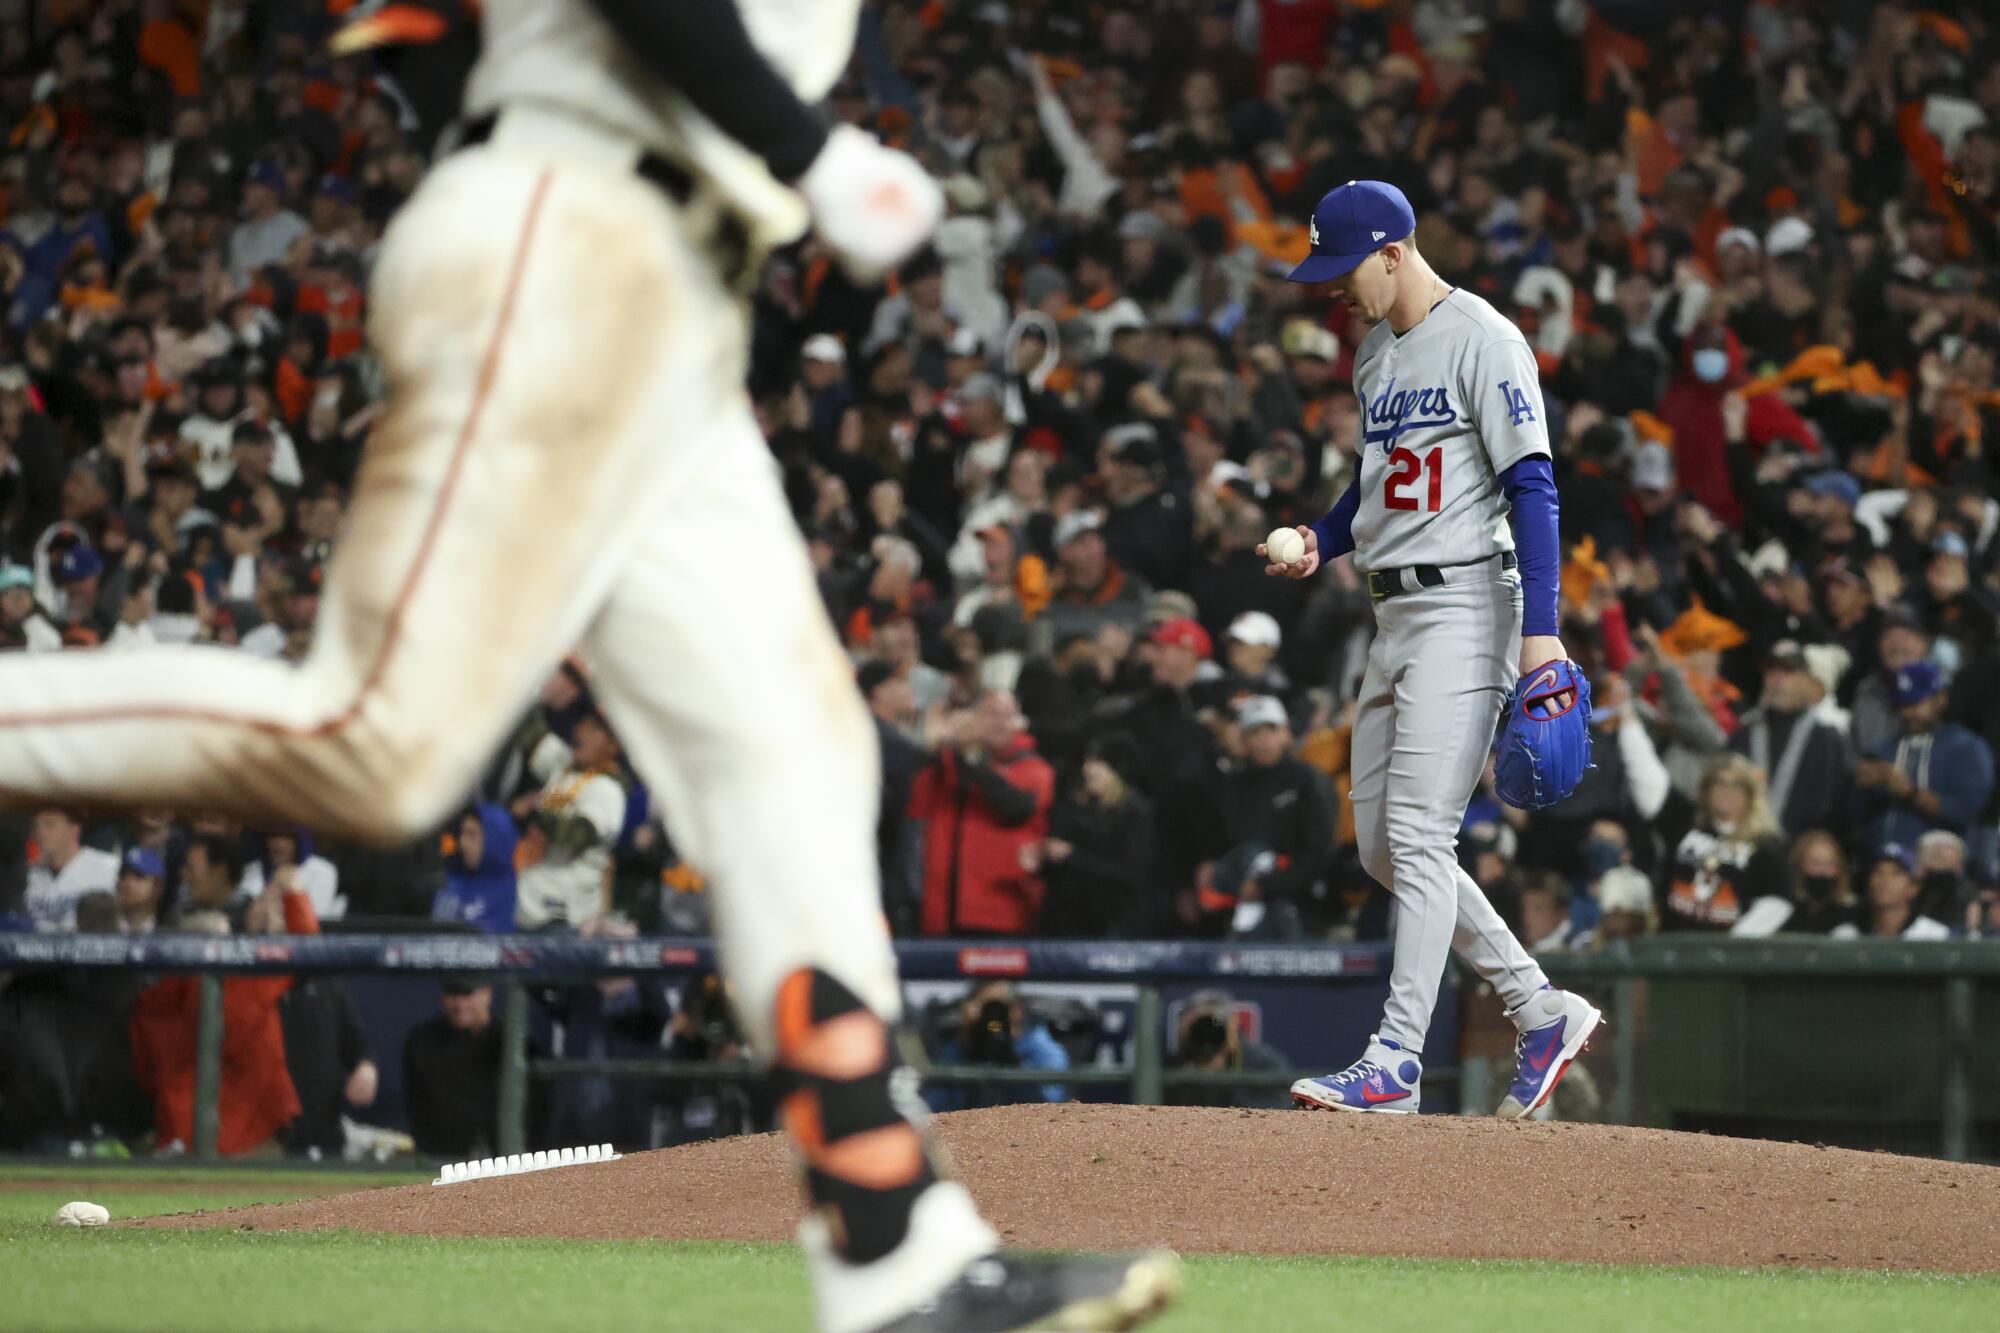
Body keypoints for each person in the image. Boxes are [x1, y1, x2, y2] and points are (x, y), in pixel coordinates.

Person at [0, 4, 1179, 1326]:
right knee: (375, 740)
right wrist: (802, 152)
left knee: (794, 756)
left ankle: (895, 1249)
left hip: (667, 302)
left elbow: (422, 44)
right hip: (573, 235)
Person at [1264, 181, 1601, 1120]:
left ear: (1393, 251)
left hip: (1468, 605)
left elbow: (1534, 487)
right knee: (1384, 845)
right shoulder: (1376, 352)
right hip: (1394, 611)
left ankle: (1396, 1059)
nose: (1334, 290)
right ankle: (1540, 1008)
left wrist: (1544, 631)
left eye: (1344, 270)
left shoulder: (1486, 338)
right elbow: (1374, 483)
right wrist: (1323, 541)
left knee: (1419, 836)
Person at [907, 689, 1054, 936]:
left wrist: (971, 758)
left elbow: (1015, 808)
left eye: (1008, 716)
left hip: (1000, 915)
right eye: (991, 715)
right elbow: (915, 805)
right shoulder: (949, 764)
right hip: (941, 914)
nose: (1000, 723)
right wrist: (935, 747)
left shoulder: (1033, 768)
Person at [1853, 662, 1995, 856]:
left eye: (1914, 703)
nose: (1906, 713)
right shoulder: (1884, 748)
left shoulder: (1967, 747)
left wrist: (1910, 792)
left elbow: (1966, 811)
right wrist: (1859, 787)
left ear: (1940, 700)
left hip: (1937, 868)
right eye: (1901, 706)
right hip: (1880, 861)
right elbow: (1856, 817)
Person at [512, 709, 628, 931]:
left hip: (567, 923)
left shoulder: (608, 791)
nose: (582, 731)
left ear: (613, 746)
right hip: (529, 912)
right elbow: (530, 732)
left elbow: (578, 834)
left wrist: (533, 813)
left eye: (596, 729)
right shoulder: (563, 767)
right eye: (585, 723)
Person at [1032, 733, 1153, 938]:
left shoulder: (1136, 814)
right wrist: (1043, 860)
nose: (1087, 768)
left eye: (1097, 761)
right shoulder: (1079, 810)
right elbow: (1062, 874)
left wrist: (1072, 855)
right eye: (1087, 761)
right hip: (1070, 928)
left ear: (1116, 770)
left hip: (1115, 931)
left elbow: (1131, 873)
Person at [1727, 640, 1851, 839]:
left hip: (1800, 850)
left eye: (1788, 672)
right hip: (1746, 844)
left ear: (1805, 680)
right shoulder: (1745, 731)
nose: (1777, 680)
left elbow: (1833, 803)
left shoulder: (1826, 735)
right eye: (1771, 671)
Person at [1661, 754, 1791, 933]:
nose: (1726, 791)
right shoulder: (1686, 825)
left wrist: (1733, 946)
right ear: (1706, 790)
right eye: (1719, 783)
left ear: (1750, 795)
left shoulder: (1765, 845)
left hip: (1728, 951)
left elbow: (1778, 901)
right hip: (1674, 943)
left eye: (1736, 785)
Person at [922, 981, 1069, 1114]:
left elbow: (1049, 1109)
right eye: (986, 1009)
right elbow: (935, 1108)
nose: (993, 1017)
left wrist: (1013, 1058)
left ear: (1016, 1010)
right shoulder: (960, 1048)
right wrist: (965, 1041)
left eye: (998, 1008)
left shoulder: (1043, 1051)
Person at [402, 980, 504, 1159]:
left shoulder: (509, 1040)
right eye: (453, 995)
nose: (459, 1004)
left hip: (506, 1155)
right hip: (442, 1155)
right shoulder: (424, 1041)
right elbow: (418, 1107)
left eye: (467, 994)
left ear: (487, 994)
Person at [1165, 990, 1291, 1110]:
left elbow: (1276, 1115)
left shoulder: (1264, 1066)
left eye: (1215, 1025)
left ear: (1233, 1026)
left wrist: (1220, 1078)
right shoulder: (1168, 1068)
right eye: (1200, 1026)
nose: (1208, 1033)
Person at [22, 806, 120, 930]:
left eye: (50, 824)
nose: (40, 832)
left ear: (74, 828)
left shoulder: (109, 868)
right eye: (36, 826)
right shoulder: (27, 874)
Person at [1832, 845, 1952, 941]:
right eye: (1878, 871)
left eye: (1896, 873)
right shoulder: (1845, 936)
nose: (1885, 880)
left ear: (1913, 887)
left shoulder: (1934, 936)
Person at [431, 803, 520, 932]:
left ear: (495, 839)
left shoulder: (522, 898)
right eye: (462, 833)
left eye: (472, 835)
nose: (462, 843)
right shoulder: (448, 886)